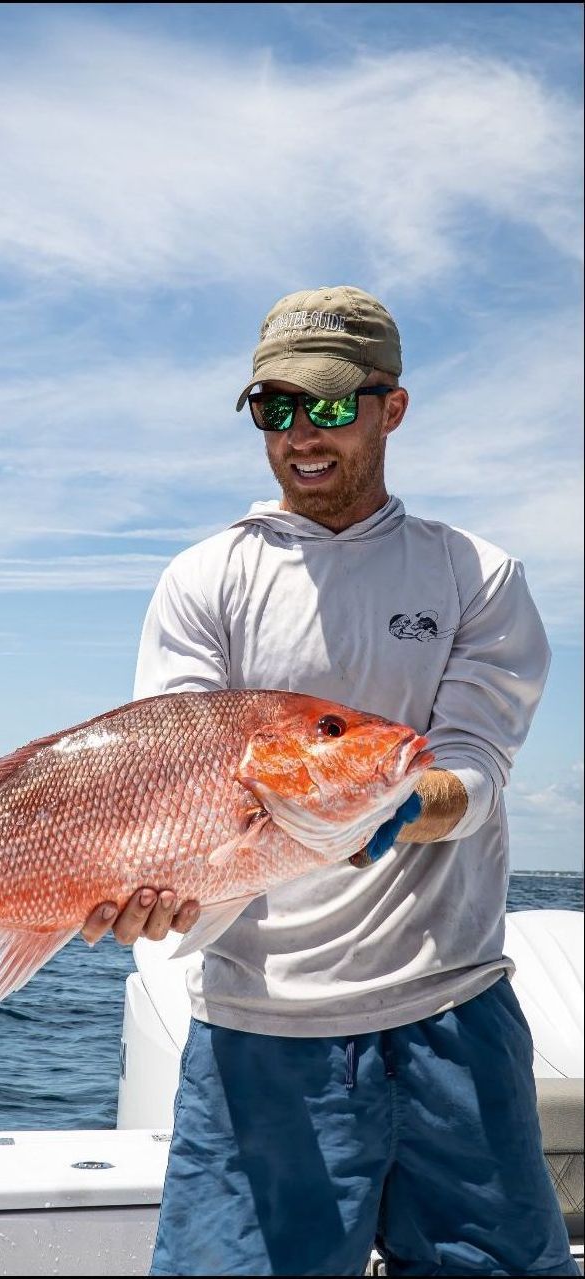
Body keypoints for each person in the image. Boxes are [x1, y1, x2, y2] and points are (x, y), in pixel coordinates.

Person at [81, 285, 578, 1277]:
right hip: (261, 1027)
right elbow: (176, 776)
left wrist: (402, 804)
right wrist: (142, 887)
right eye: (277, 408)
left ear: (392, 407)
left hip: (452, 1011)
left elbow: (475, 766)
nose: (304, 434)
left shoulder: (475, 574)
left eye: (334, 407)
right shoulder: (205, 579)